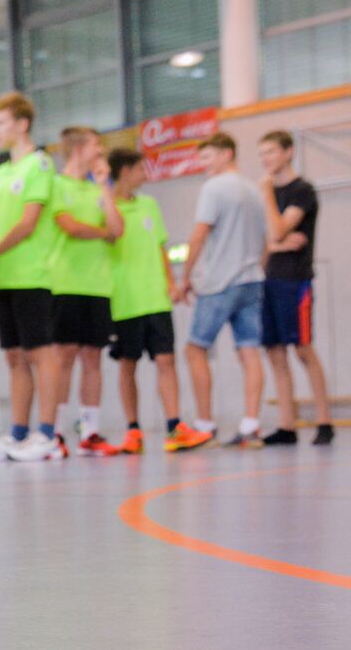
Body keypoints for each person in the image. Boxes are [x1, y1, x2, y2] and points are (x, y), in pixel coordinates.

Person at [0, 92, 66, 463]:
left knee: (42, 354)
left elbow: (28, 223)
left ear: (22, 124)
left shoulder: (39, 166)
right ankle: (18, 432)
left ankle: (47, 433)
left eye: (1, 123)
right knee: (14, 357)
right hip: (6, 278)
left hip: (34, 275)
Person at [104, 148, 212, 454]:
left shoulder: (150, 204)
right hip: (123, 300)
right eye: (140, 169)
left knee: (166, 360)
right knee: (128, 365)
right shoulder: (106, 206)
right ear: (124, 171)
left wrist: (171, 283)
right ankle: (133, 430)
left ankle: (174, 427)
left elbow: (160, 247)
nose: (145, 175)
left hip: (156, 299)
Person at [172, 131, 268, 448]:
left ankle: (204, 426)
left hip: (220, 282)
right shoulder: (254, 190)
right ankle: (251, 425)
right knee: (249, 349)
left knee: (195, 348)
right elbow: (265, 240)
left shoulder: (215, 187)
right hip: (252, 278)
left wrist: (186, 277)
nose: (203, 164)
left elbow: (200, 234)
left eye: (208, 156)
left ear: (227, 153)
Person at [49, 127, 124, 455]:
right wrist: (101, 232)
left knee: (93, 357)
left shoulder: (99, 188)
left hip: (97, 285)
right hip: (64, 283)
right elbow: (70, 227)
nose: (100, 151)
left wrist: (105, 187)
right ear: (78, 148)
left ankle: (90, 431)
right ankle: (54, 431)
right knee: (63, 356)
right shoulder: (55, 184)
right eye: (96, 145)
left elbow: (117, 229)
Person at [258, 130, 332, 446]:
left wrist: (265, 196)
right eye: (262, 153)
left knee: (302, 349)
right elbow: (264, 247)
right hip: (270, 279)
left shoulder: (303, 191)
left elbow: (277, 227)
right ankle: (287, 425)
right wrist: (275, 246)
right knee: (274, 351)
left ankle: (324, 420)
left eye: (271, 151)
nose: (266, 159)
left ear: (288, 152)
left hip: (295, 280)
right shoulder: (269, 195)